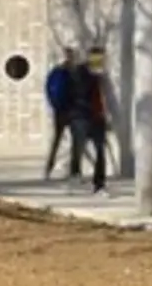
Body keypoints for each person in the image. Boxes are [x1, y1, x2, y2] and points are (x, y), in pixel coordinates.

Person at [71, 44, 117, 195]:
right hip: (82, 117)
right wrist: (94, 77)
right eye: (98, 58)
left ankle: (99, 184)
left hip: (98, 118)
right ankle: (75, 174)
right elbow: (80, 93)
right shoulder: (81, 72)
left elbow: (105, 97)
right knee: (78, 148)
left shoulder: (101, 75)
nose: (101, 61)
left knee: (100, 151)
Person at [42, 48, 81, 181]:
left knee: (60, 141)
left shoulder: (57, 72)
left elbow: (48, 89)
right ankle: (70, 171)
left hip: (63, 110)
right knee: (71, 141)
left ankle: (51, 169)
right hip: (67, 110)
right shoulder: (69, 72)